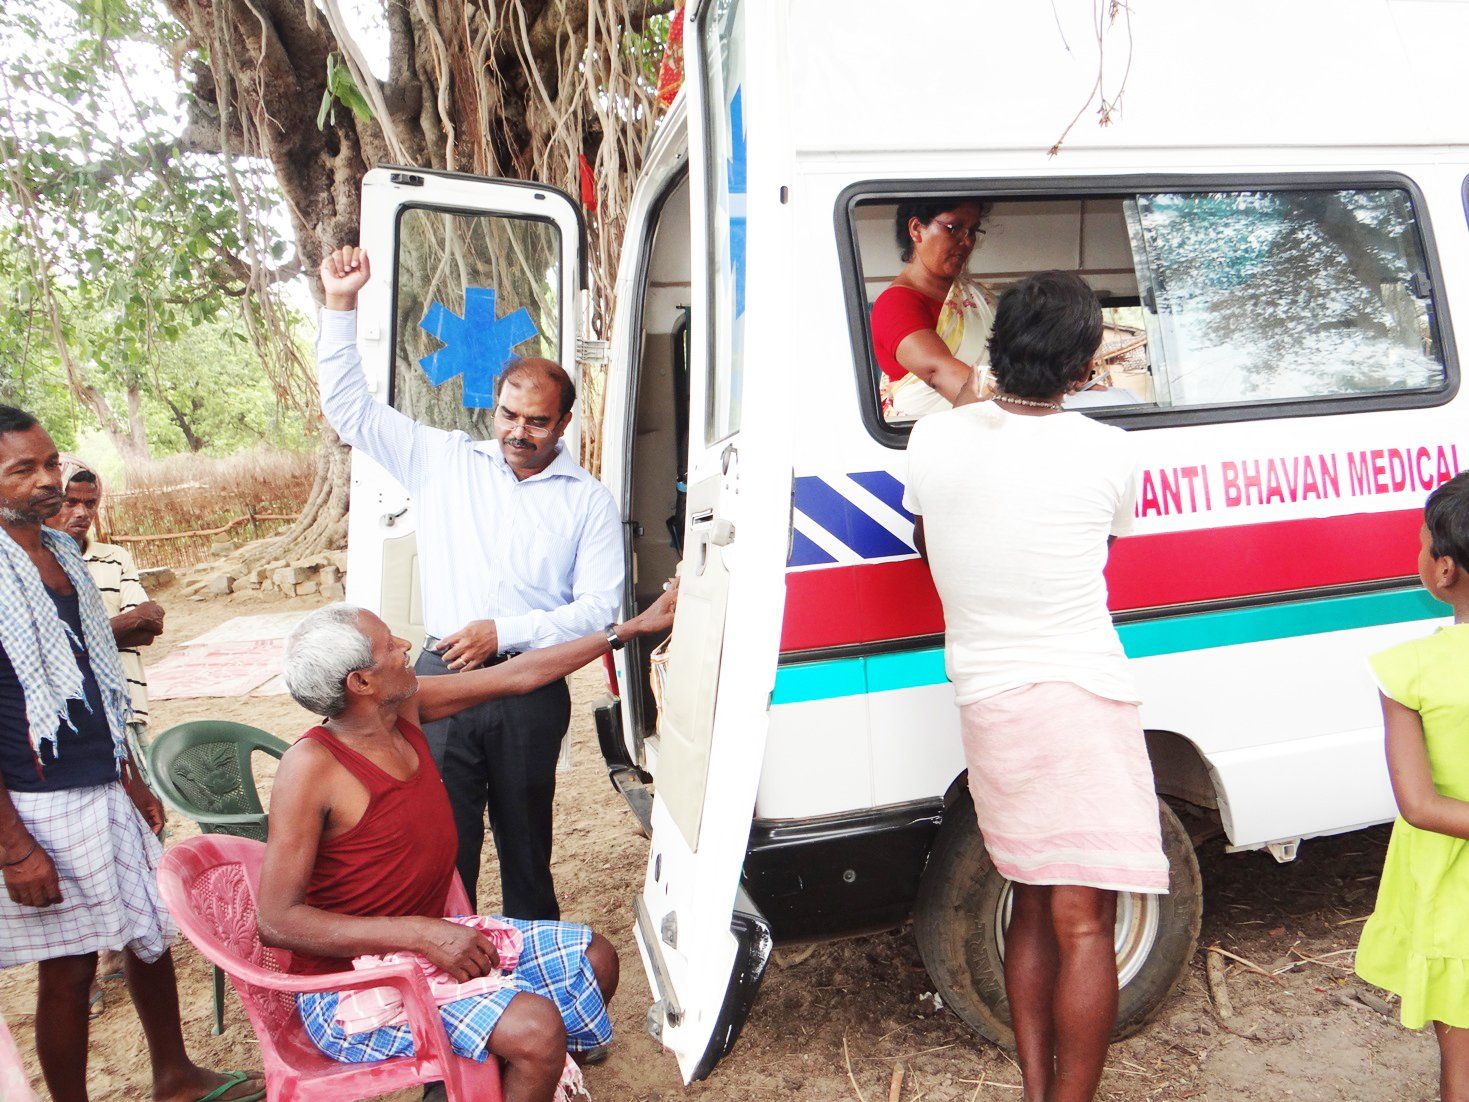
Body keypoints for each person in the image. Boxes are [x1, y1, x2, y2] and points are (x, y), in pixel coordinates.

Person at [903, 272, 1168, 1102]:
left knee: (1030, 893)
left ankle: (1033, 1089)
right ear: (1083, 367)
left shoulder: (933, 441)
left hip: (988, 700)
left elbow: (929, 540)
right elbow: (1098, 549)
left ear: (996, 344)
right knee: (1082, 919)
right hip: (1079, 695)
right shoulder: (1108, 449)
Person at [258, 588, 676, 1102]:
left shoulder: (402, 711)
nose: (406, 646)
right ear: (361, 682)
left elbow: (517, 674)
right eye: (390, 645)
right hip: (353, 988)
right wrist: (420, 935)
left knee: (595, 960)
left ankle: (514, 1073)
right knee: (536, 1029)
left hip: (430, 941)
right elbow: (277, 921)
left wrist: (627, 629)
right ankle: (517, 1061)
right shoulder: (311, 769)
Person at [316, 246, 623, 921]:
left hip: (531, 687)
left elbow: (601, 610)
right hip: (438, 683)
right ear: (495, 407)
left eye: (537, 422)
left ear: (563, 423)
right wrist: (341, 306)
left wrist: (502, 633)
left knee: (526, 850)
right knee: (439, 848)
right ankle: (454, 984)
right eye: (509, 415)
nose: (519, 432)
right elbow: (349, 409)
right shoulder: (442, 461)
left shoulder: (587, 500)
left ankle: (537, 989)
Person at [0, 405, 262, 1102]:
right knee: (70, 968)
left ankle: (174, 1075)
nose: (47, 480)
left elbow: (96, 682)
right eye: (22, 469)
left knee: (150, 932)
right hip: (39, 799)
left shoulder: (62, 558)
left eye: (49, 462)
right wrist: (14, 846)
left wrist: (129, 776)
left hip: (104, 781)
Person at [1355, 471, 1469, 1102]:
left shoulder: (1408, 672)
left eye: (1424, 544)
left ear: (1444, 569)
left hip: (1456, 901)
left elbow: (1420, 806)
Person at [45, 455, 168, 1015]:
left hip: (123, 717)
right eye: (70, 501)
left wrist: (88, 630)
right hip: (65, 736)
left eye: (89, 504)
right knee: (77, 857)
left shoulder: (110, 558)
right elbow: (59, 644)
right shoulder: (31, 564)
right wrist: (103, 627)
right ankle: (86, 963)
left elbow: (150, 620)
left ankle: (128, 945)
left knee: (143, 830)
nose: (79, 513)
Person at [870, 199, 996, 421]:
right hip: (928, 441)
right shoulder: (895, 305)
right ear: (917, 229)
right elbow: (939, 372)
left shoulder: (974, 294)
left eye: (973, 230)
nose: (967, 241)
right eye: (954, 228)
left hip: (994, 426)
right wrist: (1024, 404)